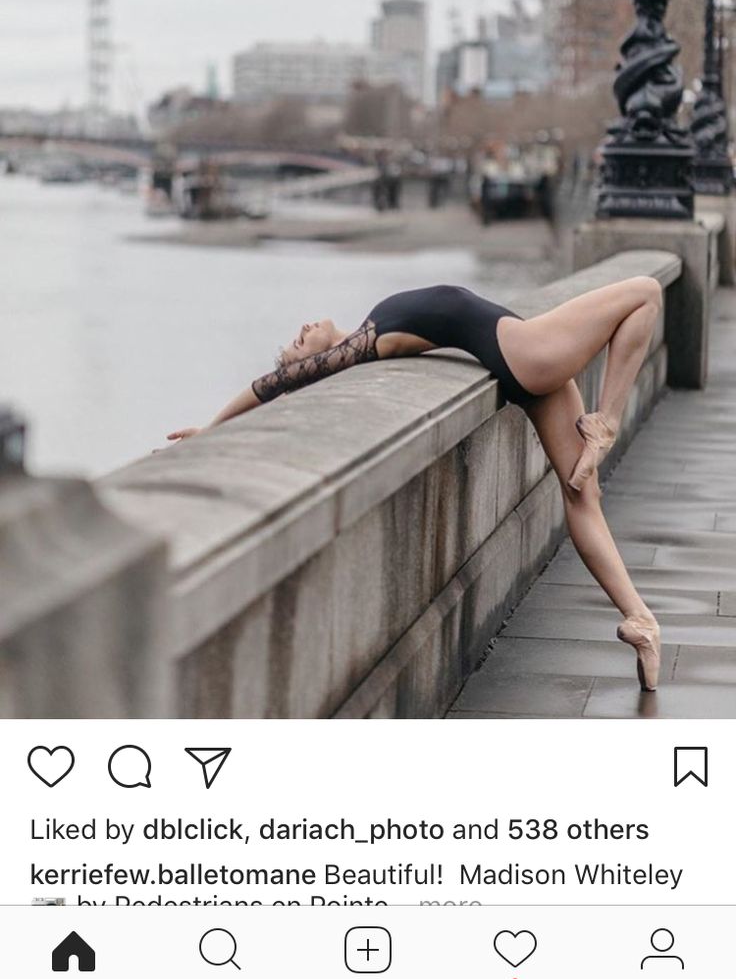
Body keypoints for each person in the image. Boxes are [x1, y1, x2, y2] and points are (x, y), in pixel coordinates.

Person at [168, 278, 663, 691]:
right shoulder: (364, 344)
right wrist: (214, 427)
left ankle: (640, 620)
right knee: (644, 293)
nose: (301, 332)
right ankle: (608, 421)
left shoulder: (370, 327)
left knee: (582, 497)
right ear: (310, 368)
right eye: (298, 347)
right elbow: (270, 385)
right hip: (526, 353)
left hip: (524, 355)